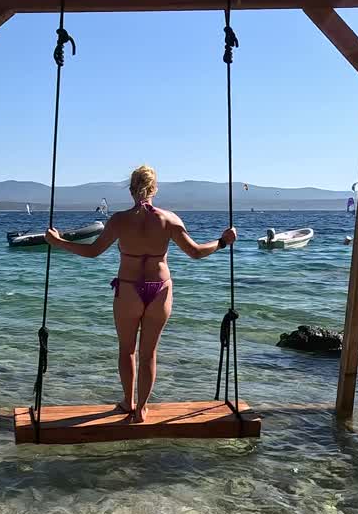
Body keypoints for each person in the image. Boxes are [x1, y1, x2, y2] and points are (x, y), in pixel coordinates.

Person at [46, 165, 237, 423]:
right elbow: (195, 252)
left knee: (127, 351)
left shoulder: (119, 221)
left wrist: (58, 242)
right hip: (160, 291)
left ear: (131, 189)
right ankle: (142, 409)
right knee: (149, 353)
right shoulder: (169, 219)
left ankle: (128, 402)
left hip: (128, 288)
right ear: (154, 189)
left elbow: (93, 252)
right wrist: (223, 242)